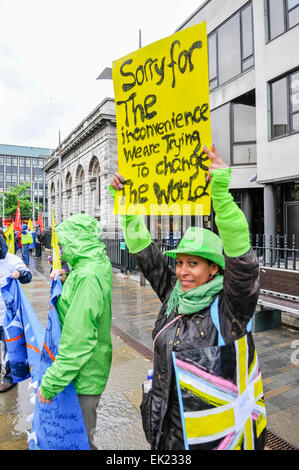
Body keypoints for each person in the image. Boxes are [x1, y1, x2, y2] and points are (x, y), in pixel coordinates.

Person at [109, 145, 267, 450]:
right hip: (166, 431)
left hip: (210, 440)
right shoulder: (174, 294)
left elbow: (243, 261)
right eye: (179, 262)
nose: (181, 271)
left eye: (193, 263)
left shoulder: (230, 308)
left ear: (213, 269)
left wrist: (219, 193)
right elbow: (145, 252)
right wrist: (127, 204)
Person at [36, 213, 113, 450]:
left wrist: (50, 383)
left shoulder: (87, 276)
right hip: (86, 371)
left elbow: (79, 339)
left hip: (83, 377)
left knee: (77, 440)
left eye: (64, 241)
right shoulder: (91, 265)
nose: (60, 247)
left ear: (76, 240)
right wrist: (67, 277)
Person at [0, 235, 32, 392]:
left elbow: (28, 276)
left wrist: (20, 274)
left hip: (7, 315)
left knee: (10, 348)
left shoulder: (12, 261)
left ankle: (10, 378)